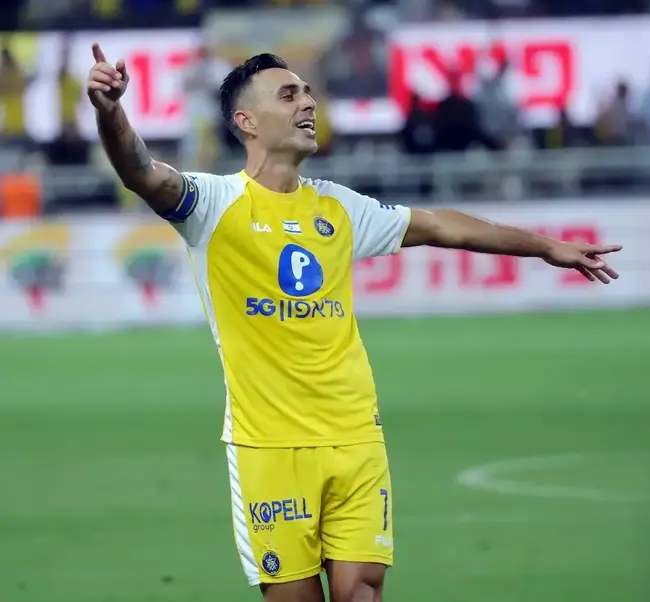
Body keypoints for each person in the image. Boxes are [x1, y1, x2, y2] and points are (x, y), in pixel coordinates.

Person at [86, 45, 622, 602]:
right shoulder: (212, 204)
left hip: (355, 435)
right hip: (267, 446)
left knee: (361, 592)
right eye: (288, 95)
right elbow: (141, 172)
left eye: (307, 92)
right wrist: (110, 110)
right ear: (246, 121)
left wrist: (546, 246)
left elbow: (442, 226)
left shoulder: (339, 208)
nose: (308, 103)